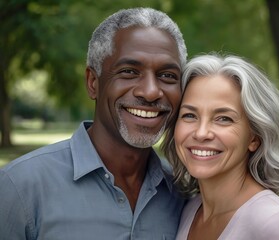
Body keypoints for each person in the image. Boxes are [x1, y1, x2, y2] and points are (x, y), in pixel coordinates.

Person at [0, 8, 187, 239]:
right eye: (129, 71)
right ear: (93, 83)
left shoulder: (183, 194)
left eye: (167, 75)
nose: (150, 92)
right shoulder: (19, 187)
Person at [162, 54, 279, 240]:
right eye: (189, 115)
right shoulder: (189, 209)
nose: (201, 133)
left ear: (254, 137)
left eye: (223, 119)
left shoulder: (276, 224)